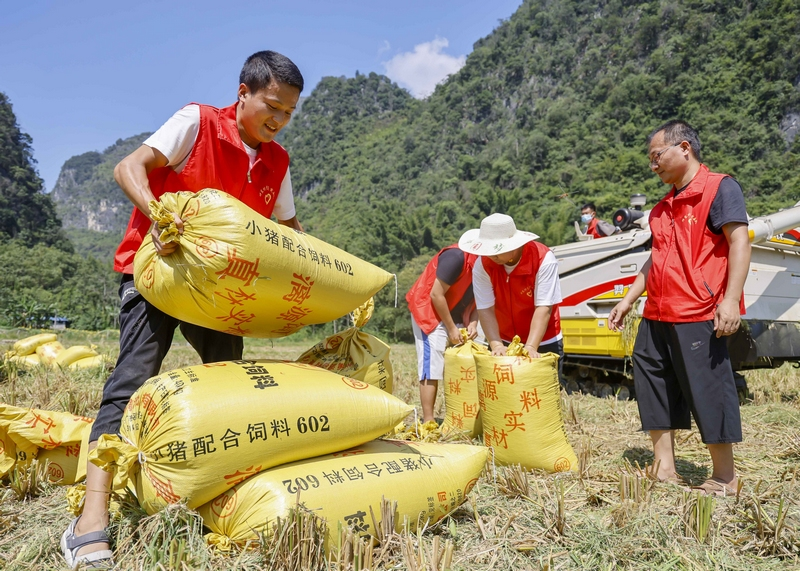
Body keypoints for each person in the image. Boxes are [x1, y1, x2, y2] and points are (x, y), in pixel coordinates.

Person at [60, 50, 304, 568]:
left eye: (288, 112)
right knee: (132, 380)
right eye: (272, 106)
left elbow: (289, 232)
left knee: (229, 382)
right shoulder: (197, 122)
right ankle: (89, 518)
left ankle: (214, 488)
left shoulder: (277, 162)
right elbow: (128, 168)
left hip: (218, 292)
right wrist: (159, 216)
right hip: (157, 273)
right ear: (243, 92)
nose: (279, 120)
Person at [608, 120, 750, 496]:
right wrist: (628, 300)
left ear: (684, 148)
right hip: (657, 312)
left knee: (708, 388)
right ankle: (664, 467)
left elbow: (739, 242)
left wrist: (730, 299)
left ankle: (725, 477)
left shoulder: (719, 188)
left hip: (698, 311)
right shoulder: (661, 208)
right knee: (652, 383)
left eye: (657, 156)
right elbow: (655, 259)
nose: (653, 165)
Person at [459, 213, 565, 384]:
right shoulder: (482, 265)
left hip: (544, 339)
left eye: (496, 249)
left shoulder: (543, 259)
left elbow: (544, 308)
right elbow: (485, 308)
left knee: (541, 395)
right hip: (503, 338)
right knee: (504, 394)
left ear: (514, 245)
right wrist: (496, 345)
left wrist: (531, 347)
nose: (491, 255)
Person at [406, 245, 480, 423]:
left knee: (466, 360)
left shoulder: (489, 266)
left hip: (457, 312)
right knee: (432, 364)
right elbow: (436, 295)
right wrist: (452, 328)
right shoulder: (456, 257)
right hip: (429, 311)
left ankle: (462, 417)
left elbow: (482, 299)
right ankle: (429, 420)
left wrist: (473, 322)